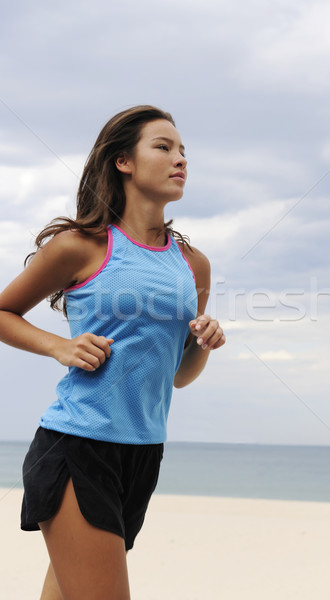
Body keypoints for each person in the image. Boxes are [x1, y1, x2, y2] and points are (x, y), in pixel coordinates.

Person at [0, 105, 225, 599]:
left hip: (143, 453)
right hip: (78, 444)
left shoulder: (193, 265)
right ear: (123, 161)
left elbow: (179, 376)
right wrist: (59, 345)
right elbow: (4, 313)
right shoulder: (80, 245)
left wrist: (203, 343)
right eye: (163, 147)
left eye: (184, 151)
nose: (180, 159)